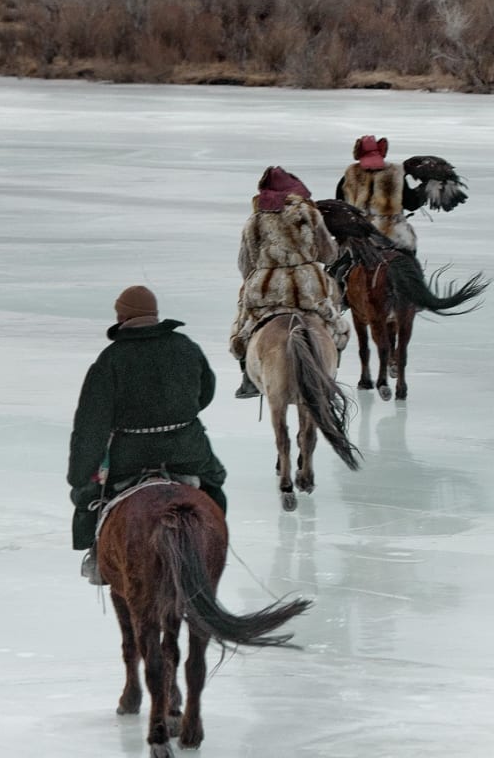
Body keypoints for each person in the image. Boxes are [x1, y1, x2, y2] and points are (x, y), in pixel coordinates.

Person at [68, 285, 227, 584]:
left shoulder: (110, 360)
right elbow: (205, 393)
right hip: (187, 448)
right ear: (154, 314)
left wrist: (80, 476)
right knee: (214, 484)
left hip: (129, 455)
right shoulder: (185, 346)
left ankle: (98, 559)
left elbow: (91, 426)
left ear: (122, 315)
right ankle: (214, 546)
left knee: (91, 497)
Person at [230, 166, 350, 398]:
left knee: (242, 330)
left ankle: (249, 379)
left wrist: (257, 277)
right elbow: (328, 255)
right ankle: (329, 375)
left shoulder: (254, 221)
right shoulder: (309, 214)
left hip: (265, 289)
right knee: (336, 328)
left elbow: (245, 264)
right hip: (308, 287)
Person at [336, 135, 425, 253]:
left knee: (339, 266)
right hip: (394, 235)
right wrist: (424, 190)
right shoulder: (395, 174)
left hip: (360, 237)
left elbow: (340, 207)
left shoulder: (348, 177)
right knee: (409, 262)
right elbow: (412, 204)